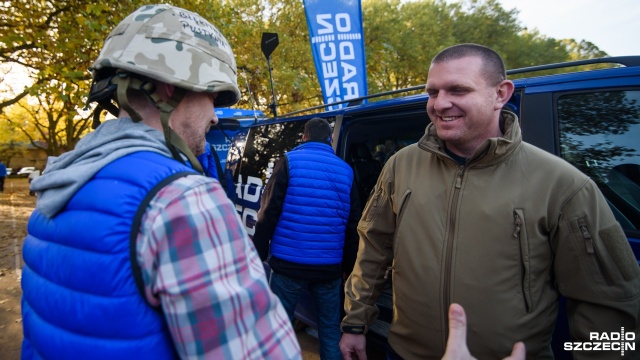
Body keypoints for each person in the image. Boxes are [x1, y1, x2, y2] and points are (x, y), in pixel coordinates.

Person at [21, 5, 300, 359]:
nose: (215, 116)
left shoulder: (61, 182)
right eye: (213, 96)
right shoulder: (184, 200)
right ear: (170, 87)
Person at [339, 43, 640, 359]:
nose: (440, 104)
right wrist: (355, 323)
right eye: (432, 92)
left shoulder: (566, 185)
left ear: (501, 93)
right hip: (404, 353)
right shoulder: (400, 165)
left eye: (457, 90)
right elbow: (373, 247)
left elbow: (612, 309)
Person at [253, 117, 361, 360]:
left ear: (304, 136)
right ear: (328, 140)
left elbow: (268, 212)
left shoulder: (289, 162)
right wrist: (348, 267)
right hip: (329, 270)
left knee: (277, 330)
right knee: (331, 332)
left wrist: (258, 255)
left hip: (288, 265)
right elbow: (354, 224)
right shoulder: (346, 171)